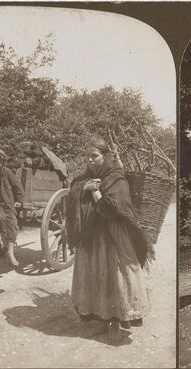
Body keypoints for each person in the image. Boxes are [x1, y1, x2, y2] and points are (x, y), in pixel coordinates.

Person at [66, 136, 152, 343]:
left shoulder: (117, 179)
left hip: (113, 236)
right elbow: (73, 193)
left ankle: (118, 320)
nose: (90, 160)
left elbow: (113, 208)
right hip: (91, 236)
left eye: (94, 156)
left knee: (115, 275)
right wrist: (84, 189)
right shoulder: (84, 178)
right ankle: (102, 319)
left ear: (105, 156)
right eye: (87, 156)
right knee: (95, 275)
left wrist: (95, 192)